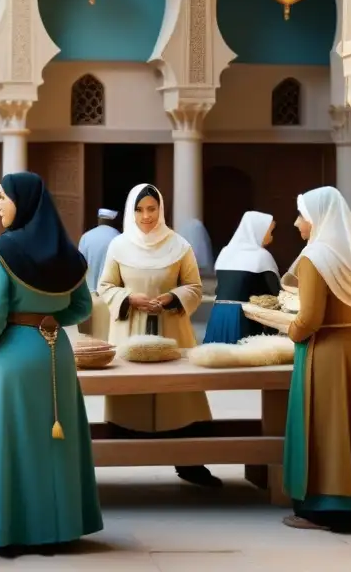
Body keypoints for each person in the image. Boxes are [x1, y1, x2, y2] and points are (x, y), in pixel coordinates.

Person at [0, 172, 102, 558]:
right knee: (53, 440)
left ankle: (14, 531)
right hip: (55, 352)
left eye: (1, 198)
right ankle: (58, 529)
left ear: (21, 201)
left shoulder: (1, 251)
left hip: (13, 352)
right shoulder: (68, 253)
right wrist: (49, 320)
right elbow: (81, 307)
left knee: (17, 440)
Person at [283, 186, 351, 531]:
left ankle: (327, 508)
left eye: (301, 215)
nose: (296, 222)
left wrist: (291, 331)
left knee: (329, 427)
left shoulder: (315, 258)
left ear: (318, 218)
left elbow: (311, 318)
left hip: (328, 350)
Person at [97, 184, 219, 488]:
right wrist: (130, 298)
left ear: (160, 209)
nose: (146, 215)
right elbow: (106, 286)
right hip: (130, 330)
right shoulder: (119, 246)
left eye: (152, 208)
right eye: (139, 209)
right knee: (132, 396)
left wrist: (170, 298)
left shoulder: (179, 245)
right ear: (131, 211)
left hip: (171, 330)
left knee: (178, 397)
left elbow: (194, 287)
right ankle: (125, 451)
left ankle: (190, 462)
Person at [202, 211, 281, 345]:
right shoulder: (261, 256)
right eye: (270, 231)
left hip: (219, 314)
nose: (271, 236)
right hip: (244, 317)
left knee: (219, 358)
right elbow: (276, 293)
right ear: (258, 230)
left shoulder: (225, 252)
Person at [78, 208, 120, 292]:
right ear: (114, 220)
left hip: (88, 293)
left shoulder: (86, 237)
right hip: (109, 294)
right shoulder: (118, 237)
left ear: (99, 219)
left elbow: (79, 267)